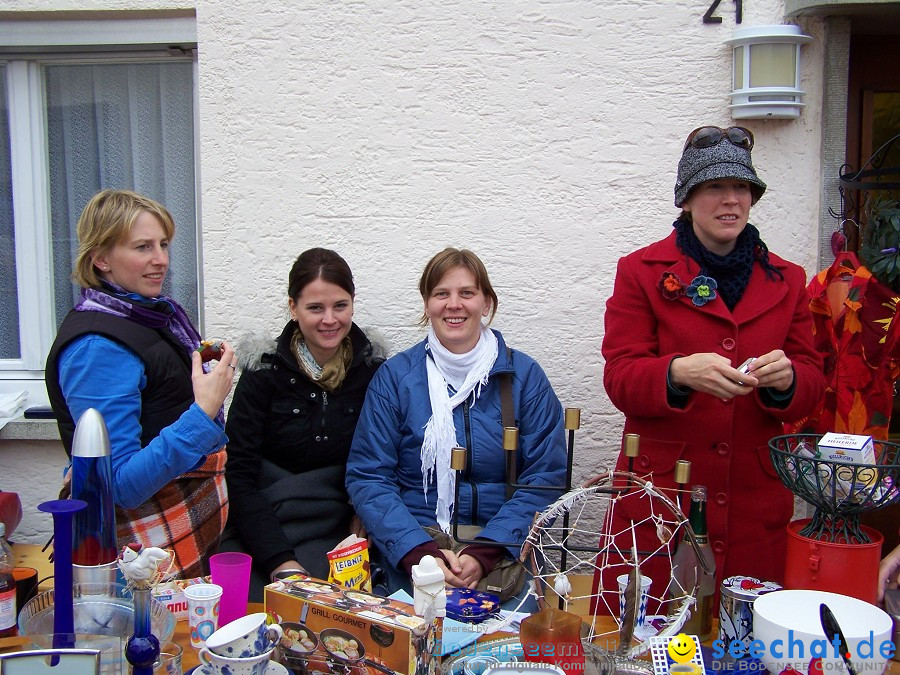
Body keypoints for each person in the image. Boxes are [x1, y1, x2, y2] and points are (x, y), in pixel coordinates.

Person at [598, 126, 826, 603]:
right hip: (663, 502)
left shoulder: (788, 279)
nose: (730, 200)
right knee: (646, 640)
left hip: (752, 505)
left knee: (744, 646)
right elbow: (620, 377)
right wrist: (677, 372)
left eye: (741, 187)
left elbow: (812, 377)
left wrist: (787, 381)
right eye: (714, 188)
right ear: (686, 199)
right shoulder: (640, 272)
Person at [346, 248, 567, 600]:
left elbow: (546, 478)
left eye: (467, 293)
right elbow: (369, 477)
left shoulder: (525, 377)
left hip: (503, 551)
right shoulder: (396, 378)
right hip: (414, 548)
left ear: (486, 303)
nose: (454, 304)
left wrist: (487, 551)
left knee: (506, 650)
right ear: (427, 303)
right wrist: (417, 552)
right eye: (441, 294)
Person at [45, 189, 236, 577]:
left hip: (178, 540)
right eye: (143, 247)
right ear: (100, 258)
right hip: (145, 558)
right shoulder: (96, 347)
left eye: (164, 244)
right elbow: (120, 486)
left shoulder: (145, 315)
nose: (160, 259)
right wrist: (203, 411)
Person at [222, 248, 383, 599]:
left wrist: (363, 517)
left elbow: (382, 461)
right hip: (264, 524)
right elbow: (239, 472)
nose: (330, 319)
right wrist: (280, 560)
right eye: (315, 308)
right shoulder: (263, 373)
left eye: (340, 306)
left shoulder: (373, 371)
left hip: (339, 526)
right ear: (293, 308)